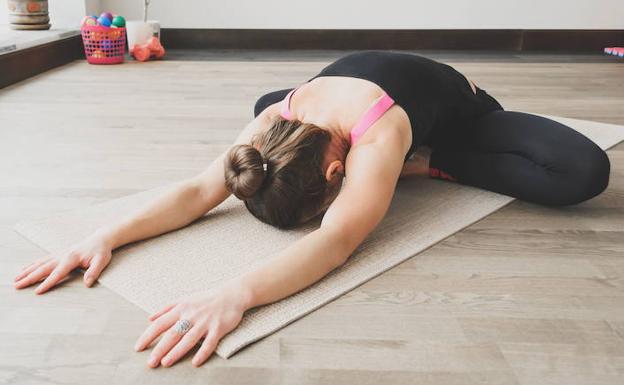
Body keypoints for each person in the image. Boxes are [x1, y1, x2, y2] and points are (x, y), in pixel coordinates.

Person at [13, 51, 610, 368]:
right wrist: (104, 236)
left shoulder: (376, 140)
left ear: (337, 174)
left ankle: (430, 162)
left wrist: (235, 293)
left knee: (581, 172)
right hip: (348, 104)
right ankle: (420, 161)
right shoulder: (274, 124)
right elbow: (201, 190)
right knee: (262, 101)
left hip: (462, 110)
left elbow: (338, 239)